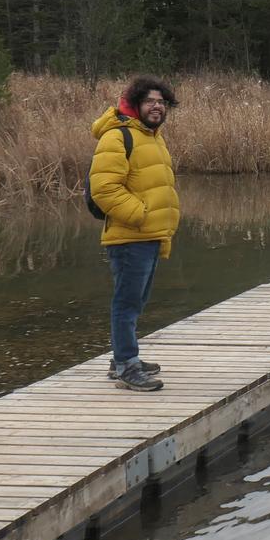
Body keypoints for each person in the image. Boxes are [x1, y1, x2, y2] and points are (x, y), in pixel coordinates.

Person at [88, 76, 181, 391]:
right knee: (126, 303)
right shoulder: (118, 136)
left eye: (161, 102)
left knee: (135, 301)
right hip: (131, 237)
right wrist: (139, 215)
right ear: (135, 104)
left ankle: (123, 357)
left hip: (150, 235)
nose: (157, 107)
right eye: (150, 101)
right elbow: (104, 188)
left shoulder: (152, 137)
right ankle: (127, 367)